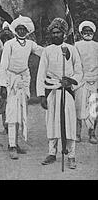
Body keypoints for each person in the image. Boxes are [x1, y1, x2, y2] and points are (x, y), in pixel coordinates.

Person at [37, 18, 83, 169]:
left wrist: (70, 81)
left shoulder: (72, 49)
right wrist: (42, 95)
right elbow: (41, 74)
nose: (56, 35)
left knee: (69, 122)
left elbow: (79, 72)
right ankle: (52, 153)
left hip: (67, 91)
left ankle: (71, 155)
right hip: (53, 91)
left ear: (64, 34)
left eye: (59, 33)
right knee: (52, 122)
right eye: (53, 33)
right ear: (51, 34)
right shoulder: (47, 51)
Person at [0, 15, 43, 159]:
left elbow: (43, 51)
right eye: (19, 29)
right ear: (15, 29)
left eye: (24, 29)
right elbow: (4, 64)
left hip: (23, 80)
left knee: (21, 112)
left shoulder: (30, 44)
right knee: (11, 114)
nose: (21, 31)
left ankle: (17, 143)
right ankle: (11, 146)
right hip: (11, 81)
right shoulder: (9, 44)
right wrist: (3, 86)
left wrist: (58, 50)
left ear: (27, 30)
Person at [75, 21, 98, 144]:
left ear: (93, 33)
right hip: (81, 81)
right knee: (78, 106)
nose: (87, 33)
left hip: (94, 80)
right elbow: (74, 62)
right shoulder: (76, 45)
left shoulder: (96, 46)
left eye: (90, 31)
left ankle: (92, 133)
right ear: (81, 33)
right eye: (85, 31)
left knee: (93, 108)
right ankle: (77, 133)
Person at [0, 22, 13, 132]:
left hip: (12, 74)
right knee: (3, 101)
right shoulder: (0, 43)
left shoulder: (14, 44)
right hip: (2, 72)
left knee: (11, 101)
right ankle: (5, 126)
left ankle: (11, 125)